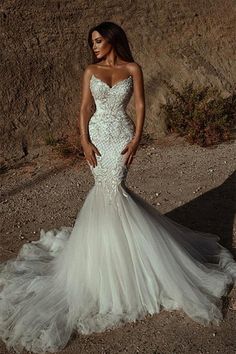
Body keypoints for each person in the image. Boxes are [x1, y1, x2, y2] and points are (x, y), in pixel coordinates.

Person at [0, 21, 236, 354]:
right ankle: (106, 264)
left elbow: (140, 105)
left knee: (115, 190)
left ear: (111, 40)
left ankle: (126, 265)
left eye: (98, 40)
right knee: (105, 193)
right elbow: (84, 108)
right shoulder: (90, 70)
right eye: (92, 42)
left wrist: (137, 139)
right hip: (97, 136)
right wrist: (83, 140)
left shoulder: (132, 68)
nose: (94, 46)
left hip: (122, 136)